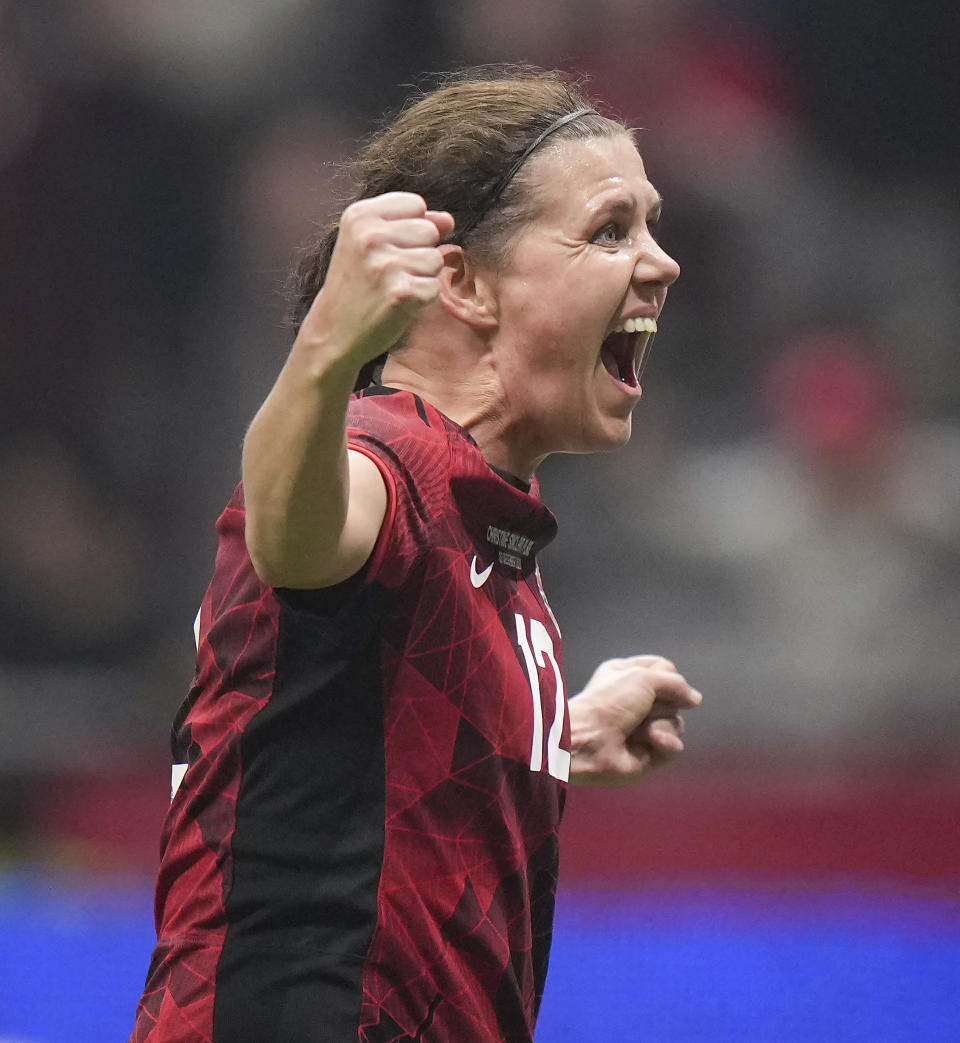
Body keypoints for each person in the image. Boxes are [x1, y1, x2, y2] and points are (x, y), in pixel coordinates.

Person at [132, 67, 701, 1043]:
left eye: (651, 225)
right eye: (611, 229)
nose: (662, 263)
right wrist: (322, 349)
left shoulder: (490, 523)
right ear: (463, 281)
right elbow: (292, 533)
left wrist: (547, 732)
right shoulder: (382, 456)